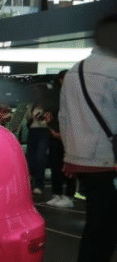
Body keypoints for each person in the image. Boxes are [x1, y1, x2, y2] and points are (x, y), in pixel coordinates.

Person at [59, 13, 117, 262]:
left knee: (99, 225)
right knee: (103, 229)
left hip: (84, 159)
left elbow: (64, 117)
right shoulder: (114, 71)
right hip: (109, 160)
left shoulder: (75, 70)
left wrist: (70, 155)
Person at [44, 70, 75, 208]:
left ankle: (68, 196)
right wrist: (52, 130)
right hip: (55, 134)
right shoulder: (55, 96)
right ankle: (57, 193)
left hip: (69, 136)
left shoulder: (74, 96)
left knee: (68, 167)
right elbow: (48, 116)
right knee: (55, 166)